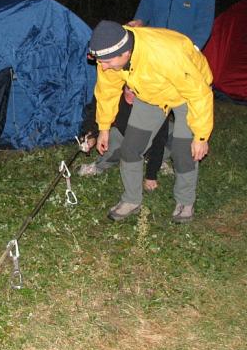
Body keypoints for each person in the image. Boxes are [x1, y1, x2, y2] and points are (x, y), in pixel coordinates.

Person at [89, 20, 213, 223]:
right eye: (100, 61)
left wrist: (201, 137)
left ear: (126, 53)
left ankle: (185, 201)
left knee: (184, 151)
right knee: (131, 148)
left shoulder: (166, 55)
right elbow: (107, 92)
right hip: (152, 93)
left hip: (188, 94)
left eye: (107, 62)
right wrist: (103, 128)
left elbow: (199, 94)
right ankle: (131, 200)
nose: (103, 67)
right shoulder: (109, 53)